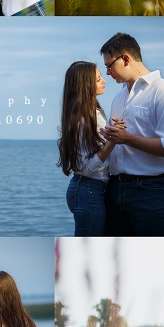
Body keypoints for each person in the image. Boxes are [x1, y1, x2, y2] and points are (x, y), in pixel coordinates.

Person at [99, 32, 164, 236]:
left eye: (109, 65)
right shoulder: (119, 97)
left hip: (150, 192)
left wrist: (126, 139)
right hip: (113, 189)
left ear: (126, 59)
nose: (107, 73)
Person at [58, 61, 114, 236]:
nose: (104, 81)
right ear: (86, 85)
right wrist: (113, 140)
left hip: (91, 189)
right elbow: (87, 168)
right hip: (89, 189)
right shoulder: (83, 118)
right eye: (98, 79)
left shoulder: (93, 113)